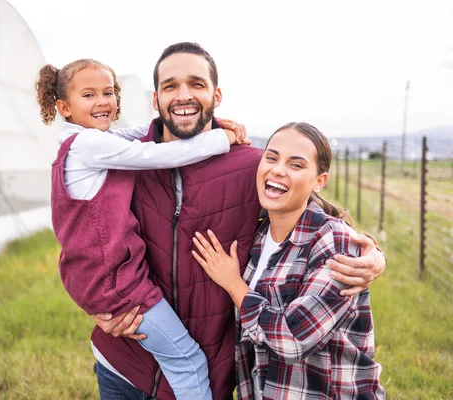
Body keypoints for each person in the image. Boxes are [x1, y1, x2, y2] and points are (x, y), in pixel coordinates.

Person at [92, 42, 387, 400]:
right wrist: (96, 305)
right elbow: (81, 235)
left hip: (205, 374)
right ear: (156, 99)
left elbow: (301, 203)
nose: (184, 95)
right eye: (171, 86)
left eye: (196, 84)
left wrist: (372, 256)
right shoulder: (122, 160)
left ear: (215, 95)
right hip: (124, 364)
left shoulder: (250, 165)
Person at [38, 58, 251, 399]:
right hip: (115, 281)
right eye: (89, 95)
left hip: (102, 276)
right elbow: (157, 155)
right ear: (63, 106)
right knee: (188, 361)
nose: (102, 101)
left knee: (181, 359)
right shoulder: (89, 146)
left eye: (108, 92)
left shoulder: (86, 140)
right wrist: (221, 138)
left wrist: (211, 123)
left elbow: (137, 134)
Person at [192, 122, 385, 399]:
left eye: (296, 165)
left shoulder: (333, 241)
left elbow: (293, 339)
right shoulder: (256, 235)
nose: (278, 170)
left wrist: (234, 284)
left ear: (319, 181)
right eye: (271, 158)